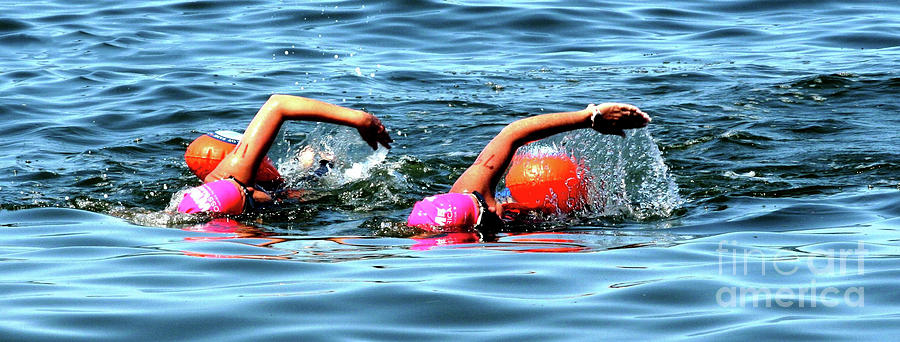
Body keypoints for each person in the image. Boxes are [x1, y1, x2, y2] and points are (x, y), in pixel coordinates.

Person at [407, 102, 650, 232]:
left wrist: (590, 117)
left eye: (482, 203)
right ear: (472, 233)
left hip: (541, 184)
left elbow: (513, 133)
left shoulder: (470, 191)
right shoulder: (498, 247)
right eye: (484, 215)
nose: (492, 208)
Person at [177, 94, 392, 215]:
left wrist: (360, 119)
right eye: (246, 192)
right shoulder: (244, 230)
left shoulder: (230, 176)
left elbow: (278, 104)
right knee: (300, 195)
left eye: (243, 186)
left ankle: (315, 164)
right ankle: (318, 165)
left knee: (290, 192)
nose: (246, 188)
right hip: (260, 210)